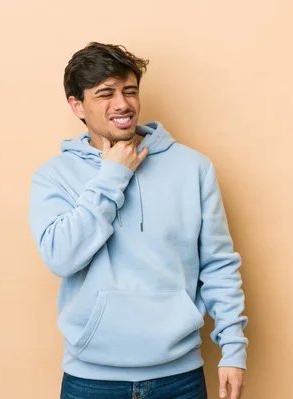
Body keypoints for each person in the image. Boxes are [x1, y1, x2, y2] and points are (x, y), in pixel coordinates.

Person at [29, 42, 248, 399]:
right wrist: (112, 176)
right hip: (90, 381)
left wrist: (233, 349)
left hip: (179, 377)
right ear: (77, 105)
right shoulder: (55, 176)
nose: (122, 104)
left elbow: (219, 265)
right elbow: (60, 256)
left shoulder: (193, 168)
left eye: (129, 91)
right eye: (106, 94)